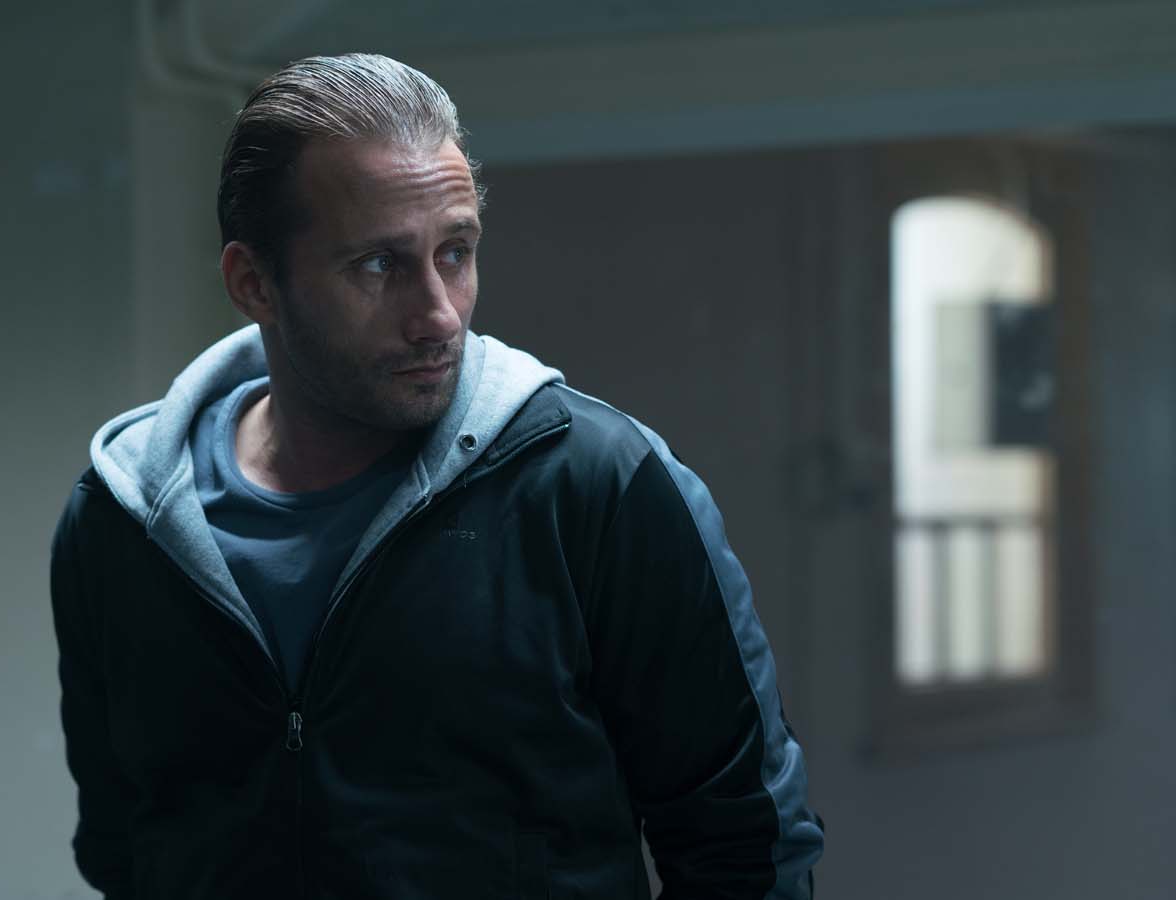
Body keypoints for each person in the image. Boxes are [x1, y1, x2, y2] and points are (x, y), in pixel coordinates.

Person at [50, 52, 824, 899]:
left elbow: (747, 849)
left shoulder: (597, 486)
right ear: (255, 284)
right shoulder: (121, 522)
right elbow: (125, 849)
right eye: (378, 266)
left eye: (455, 253)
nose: (438, 315)